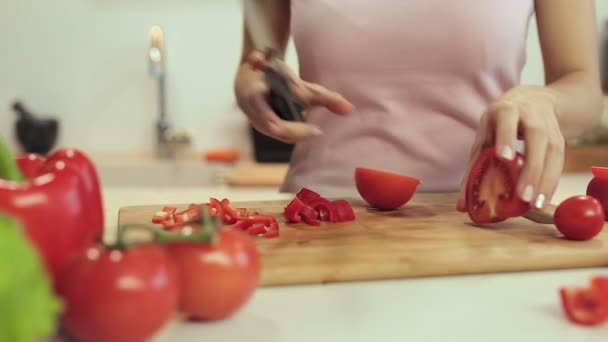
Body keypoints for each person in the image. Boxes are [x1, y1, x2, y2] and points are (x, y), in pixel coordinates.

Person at [233, 0, 604, 212]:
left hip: (486, 213)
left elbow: (584, 87)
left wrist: (544, 99)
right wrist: (258, 85)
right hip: (319, 212)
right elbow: (257, 65)